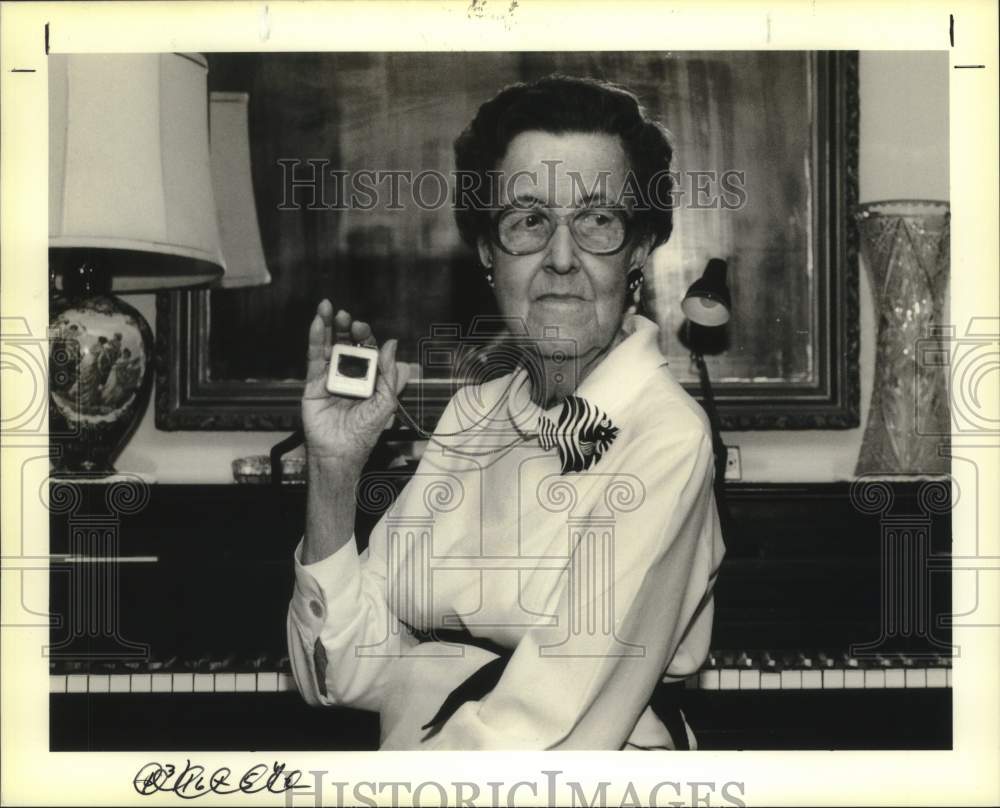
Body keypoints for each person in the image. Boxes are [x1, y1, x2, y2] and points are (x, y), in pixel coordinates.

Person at [287, 75, 726, 750]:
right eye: (528, 221)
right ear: (489, 253)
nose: (560, 258)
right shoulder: (473, 414)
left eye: (597, 220)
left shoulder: (666, 436)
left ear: (638, 249)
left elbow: (537, 730)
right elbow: (339, 673)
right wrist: (334, 471)